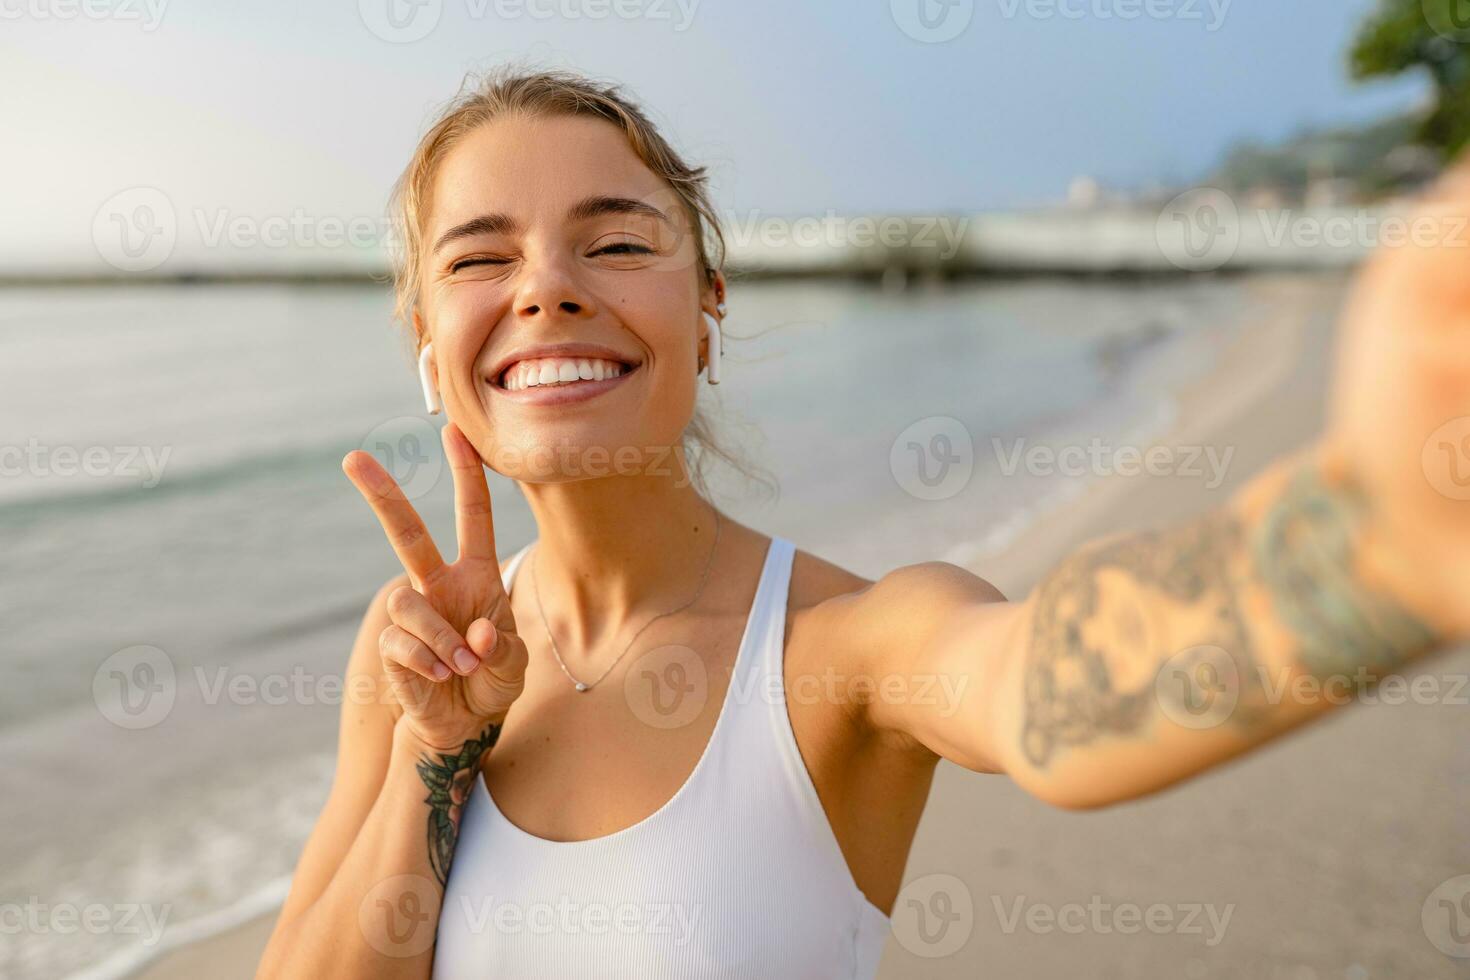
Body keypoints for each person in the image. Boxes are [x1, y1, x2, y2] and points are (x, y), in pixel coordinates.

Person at [257, 69, 1470, 979]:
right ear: (430, 355)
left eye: (617, 240)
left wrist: (1382, 537)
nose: (545, 285)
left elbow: (1042, 684)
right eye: (480, 260)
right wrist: (439, 752)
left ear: (707, 308)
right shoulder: (412, 652)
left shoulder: (839, 648)